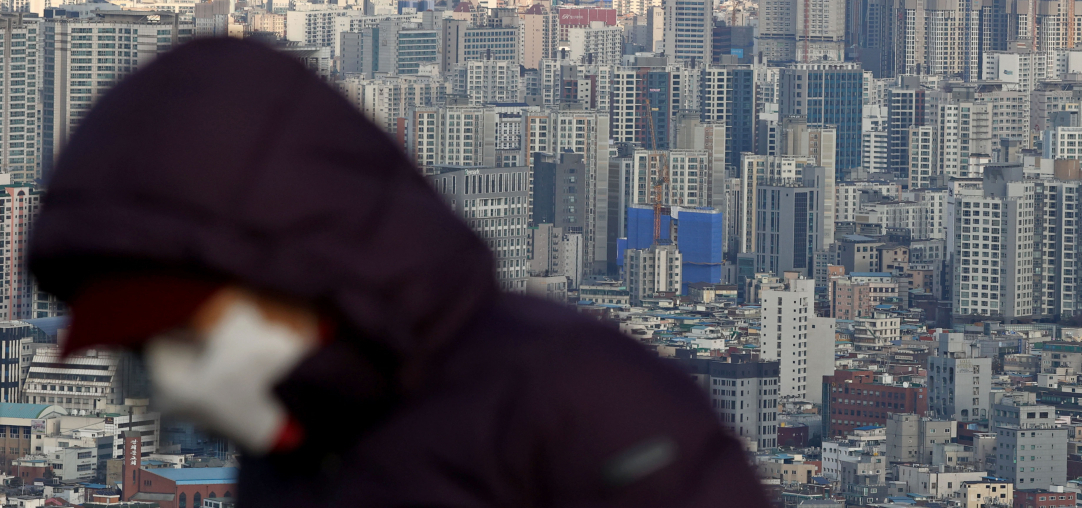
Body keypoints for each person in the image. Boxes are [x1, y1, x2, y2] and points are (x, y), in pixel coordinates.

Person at [30, 38, 770, 508]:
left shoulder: (576, 392)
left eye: (188, 339)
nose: (174, 387)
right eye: (141, 356)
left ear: (294, 278)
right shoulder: (292, 452)